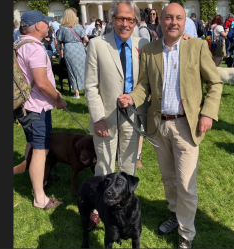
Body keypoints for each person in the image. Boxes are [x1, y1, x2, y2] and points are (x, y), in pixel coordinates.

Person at [118, 3, 223, 248]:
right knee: (168, 179)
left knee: (186, 183)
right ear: (161, 20)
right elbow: (144, 86)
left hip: (187, 125)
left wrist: (207, 113)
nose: (173, 22)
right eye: (168, 18)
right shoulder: (150, 49)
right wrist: (131, 98)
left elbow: (215, 83)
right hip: (159, 125)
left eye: (178, 18)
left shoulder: (197, 46)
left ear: (185, 21)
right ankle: (175, 214)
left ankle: (186, 234)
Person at [84, 0, 149, 231]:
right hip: (106, 117)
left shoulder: (143, 42)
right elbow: (90, 86)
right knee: (104, 164)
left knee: (129, 164)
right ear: (112, 19)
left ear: (135, 21)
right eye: (120, 18)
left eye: (129, 19)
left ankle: (124, 208)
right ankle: (97, 209)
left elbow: (147, 78)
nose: (125, 23)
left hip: (133, 114)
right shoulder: (97, 45)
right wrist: (98, 117)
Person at [14, 10, 67, 210]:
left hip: (25, 107)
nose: (49, 25)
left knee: (32, 143)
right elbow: (43, 84)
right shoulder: (35, 49)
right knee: (40, 149)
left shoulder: (21, 44)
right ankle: (40, 198)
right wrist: (59, 99)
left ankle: (37, 181)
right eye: (46, 22)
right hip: (35, 108)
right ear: (37, 26)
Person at [57, 8, 89, 99]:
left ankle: (77, 93)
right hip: (79, 48)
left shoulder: (62, 27)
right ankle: (86, 91)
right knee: (84, 70)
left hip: (69, 49)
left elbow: (59, 39)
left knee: (72, 71)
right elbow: (86, 39)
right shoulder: (78, 26)